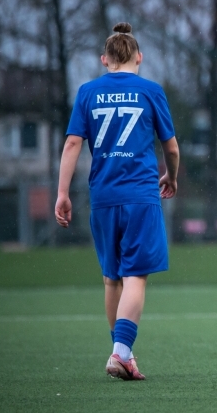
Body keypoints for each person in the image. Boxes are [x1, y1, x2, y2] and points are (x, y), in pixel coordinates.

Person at [55, 22, 179, 381]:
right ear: (139, 57)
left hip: (104, 196)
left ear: (104, 59)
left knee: (112, 279)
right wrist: (171, 175)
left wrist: (63, 193)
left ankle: (122, 352)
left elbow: (72, 144)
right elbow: (170, 146)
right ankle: (121, 352)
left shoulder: (88, 92)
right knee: (135, 275)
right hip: (140, 196)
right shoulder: (151, 91)